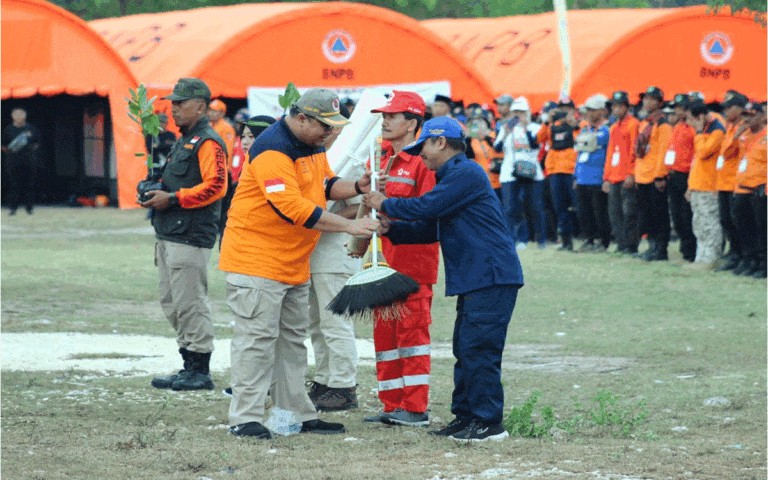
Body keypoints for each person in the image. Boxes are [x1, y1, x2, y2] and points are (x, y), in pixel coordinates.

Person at [218, 88, 378, 439]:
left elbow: (324, 184)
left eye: (335, 126)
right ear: (301, 117)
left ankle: (296, 414)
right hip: (256, 261)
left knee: (291, 341)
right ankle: (245, 417)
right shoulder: (271, 150)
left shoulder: (311, 143)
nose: (331, 133)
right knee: (256, 341)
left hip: (293, 262)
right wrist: (351, 224)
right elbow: (293, 209)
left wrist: (355, 186)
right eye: (325, 126)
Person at [363, 116, 524, 442]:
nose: (420, 155)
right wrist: (390, 227)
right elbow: (429, 226)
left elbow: (426, 206)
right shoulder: (453, 176)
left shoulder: (465, 173)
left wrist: (386, 203)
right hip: (478, 277)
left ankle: (489, 423)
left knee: (479, 351)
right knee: (465, 348)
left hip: (491, 276)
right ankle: (465, 417)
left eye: (423, 147)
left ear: (440, 142)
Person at [139, 78, 228, 391]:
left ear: (201, 106)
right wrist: (152, 189)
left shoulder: (208, 141)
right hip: (170, 232)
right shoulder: (184, 140)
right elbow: (172, 181)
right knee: (172, 302)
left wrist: (173, 199)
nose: (173, 108)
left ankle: (200, 368)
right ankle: (187, 363)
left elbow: (217, 185)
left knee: (190, 302)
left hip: (190, 234)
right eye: (172, 102)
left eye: (180, 103)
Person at [361, 91, 439, 427]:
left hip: (413, 265)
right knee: (385, 338)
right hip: (381, 265)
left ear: (412, 123)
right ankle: (391, 405)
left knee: (411, 338)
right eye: (384, 116)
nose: (386, 121)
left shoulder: (425, 162)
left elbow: (430, 213)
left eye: (393, 116)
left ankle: (416, 408)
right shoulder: (379, 160)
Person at [306, 104, 362, 412]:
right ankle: (325, 380)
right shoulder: (313, 157)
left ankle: (344, 386)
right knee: (316, 322)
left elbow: (364, 206)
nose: (329, 131)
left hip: (336, 251)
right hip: (312, 252)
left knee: (336, 322)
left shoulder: (350, 161)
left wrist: (331, 216)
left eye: (334, 126)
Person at [494, 96, 546, 249]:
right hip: (510, 172)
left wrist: (525, 127)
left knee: (535, 206)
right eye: (515, 112)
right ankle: (512, 239)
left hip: (532, 171)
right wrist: (505, 133)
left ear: (528, 112)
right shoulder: (506, 128)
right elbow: (497, 148)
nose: (518, 115)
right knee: (510, 208)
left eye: (521, 112)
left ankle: (540, 239)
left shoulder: (536, 128)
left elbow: (535, 145)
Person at [684, 100, 726, 270]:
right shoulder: (702, 132)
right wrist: (690, 185)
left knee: (710, 224)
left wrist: (699, 131)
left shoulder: (717, 130)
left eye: (689, 119)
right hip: (697, 185)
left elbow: (703, 152)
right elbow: (696, 162)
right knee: (699, 224)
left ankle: (711, 259)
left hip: (709, 186)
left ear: (699, 117)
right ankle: (701, 258)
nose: (688, 123)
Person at [634, 86, 672, 261]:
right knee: (645, 216)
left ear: (659, 103)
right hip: (642, 176)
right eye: (645, 98)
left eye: (650, 99)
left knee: (659, 215)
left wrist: (660, 176)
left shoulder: (663, 125)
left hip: (654, 178)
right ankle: (651, 246)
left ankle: (660, 249)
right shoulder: (644, 123)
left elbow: (663, 152)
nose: (646, 102)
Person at [730, 101, 767, 278]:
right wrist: (736, 135)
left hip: (759, 189)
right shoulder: (743, 135)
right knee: (743, 228)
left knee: (761, 229)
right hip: (742, 188)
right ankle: (750, 260)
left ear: (761, 116)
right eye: (745, 115)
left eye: (752, 115)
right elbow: (727, 155)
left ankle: (763, 263)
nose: (748, 119)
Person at [714, 91, 749, 271]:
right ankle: (734, 252)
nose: (726, 111)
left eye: (730, 107)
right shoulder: (730, 126)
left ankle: (741, 255)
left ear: (741, 109)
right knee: (726, 220)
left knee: (737, 222)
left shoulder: (745, 128)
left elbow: (730, 151)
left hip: (735, 182)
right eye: (725, 108)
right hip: (723, 182)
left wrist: (735, 137)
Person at [538, 98, 580, 250]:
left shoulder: (577, 126)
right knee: (559, 207)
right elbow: (539, 138)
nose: (564, 112)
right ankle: (566, 241)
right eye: (562, 109)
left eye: (568, 109)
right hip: (555, 170)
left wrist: (574, 123)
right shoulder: (552, 127)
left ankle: (587, 236)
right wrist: (546, 122)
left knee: (577, 204)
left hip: (571, 169)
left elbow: (580, 139)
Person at [602, 91, 640, 255]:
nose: (616, 109)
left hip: (626, 176)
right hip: (614, 176)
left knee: (629, 213)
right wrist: (606, 177)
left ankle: (631, 246)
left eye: (619, 106)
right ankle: (621, 244)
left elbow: (635, 150)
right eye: (614, 106)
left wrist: (632, 173)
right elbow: (610, 152)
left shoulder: (633, 124)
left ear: (626, 107)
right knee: (615, 213)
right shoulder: (613, 127)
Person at [662, 94, 697, 263]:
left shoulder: (693, 128)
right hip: (673, 175)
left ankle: (691, 250)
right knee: (677, 216)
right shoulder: (678, 127)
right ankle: (685, 248)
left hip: (686, 175)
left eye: (680, 107)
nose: (677, 110)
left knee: (686, 215)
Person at [573, 95, 611, 252]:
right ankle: (589, 239)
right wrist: (575, 176)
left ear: (601, 111)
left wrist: (586, 141)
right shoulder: (585, 129)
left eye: (591, 110)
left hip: (597, 177)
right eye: (587, 110)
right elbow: (579, 150)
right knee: (584, 212)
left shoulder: (606, 130)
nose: (587, 113)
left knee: (600, 212)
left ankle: (603, 241)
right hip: (582, 176)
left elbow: (593, 142)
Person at [208, 99, 237, 242]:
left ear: (221, 112)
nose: (210, 113)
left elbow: (227, 150)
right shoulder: (212, 126)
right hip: (213, 170)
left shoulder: (225, 128)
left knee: (223, 203)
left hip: (222, 171)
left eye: (214, 110)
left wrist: (224, 169)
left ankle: (222, 229)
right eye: (210, 110)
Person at [2, 108, 39, 215]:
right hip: (13, 162)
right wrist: (11, 151)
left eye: (21, 115)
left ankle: (29, 208)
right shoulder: (8, 129)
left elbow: (36, 143)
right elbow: (3, 145)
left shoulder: (31, 128)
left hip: (29, 161)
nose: (19, 118)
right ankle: (13, 208)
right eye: (17, 116)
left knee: (30, 185)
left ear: (25, 116)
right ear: (13, 117)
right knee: (14, 185)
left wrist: (30, 150)